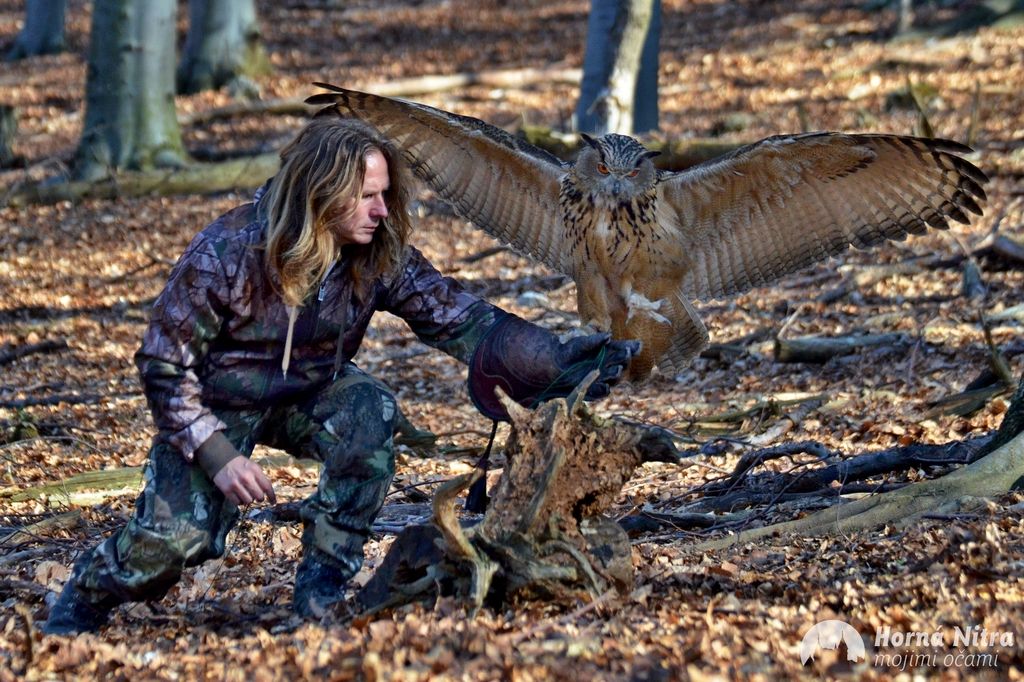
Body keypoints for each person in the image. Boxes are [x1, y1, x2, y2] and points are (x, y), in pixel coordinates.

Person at [43, 116, 639, 633]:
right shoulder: (227, 252)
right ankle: (82, 600)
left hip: (313, 391)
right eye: (365, 196)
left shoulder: (379, 251)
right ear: (319, 192)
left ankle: (321, 589)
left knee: (370, 409)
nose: (382, 210)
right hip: (213, 404)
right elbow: (163, 366)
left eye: (384, 194)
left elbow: (462, 319)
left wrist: (559, 358)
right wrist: (220, 456)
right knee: (172, 547)